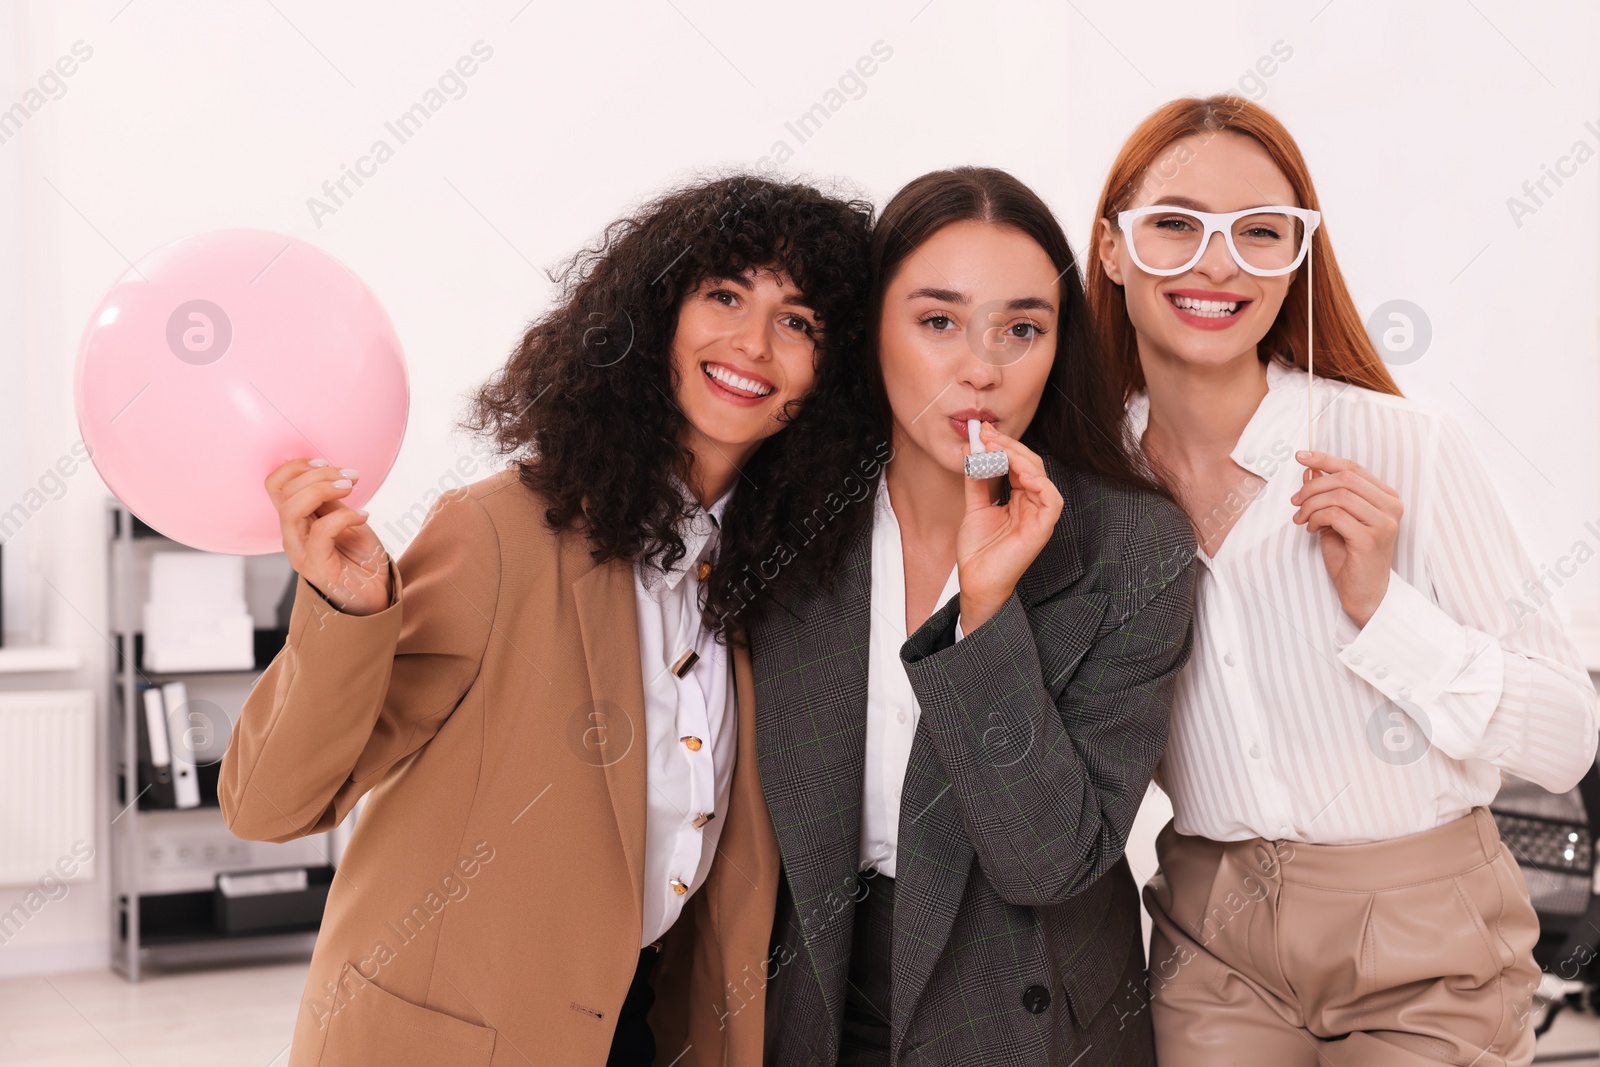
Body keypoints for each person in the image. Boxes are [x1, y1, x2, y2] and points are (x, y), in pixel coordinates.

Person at [218, 174, 874, 1067]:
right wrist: (346, 611)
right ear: (654, 317)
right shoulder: (502, 532)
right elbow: (268, 804)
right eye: (724, 294)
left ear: (827, 376)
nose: (754, 343)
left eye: (798, 321)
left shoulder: (781, 578)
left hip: (642, 1028)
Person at [1088, 94, 1600, 1066]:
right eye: (1174, 223)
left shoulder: (1402, 446)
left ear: (1296, 254)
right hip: (1211, 940)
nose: (1216, 261)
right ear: (1113, 247)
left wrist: (1383, 609)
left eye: (1258, 231)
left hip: (1427, 940)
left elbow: (1566, 738)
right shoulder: (1085, 489)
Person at [747, 166, 1198, 1065]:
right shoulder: (786, 517)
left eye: (1021, 327)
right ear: (872, 330)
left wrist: (985, 613)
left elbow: (1049, 861)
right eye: (938, 320)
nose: (981, 368)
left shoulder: (1132, 545)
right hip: (813, 986)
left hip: (1019, 1005)